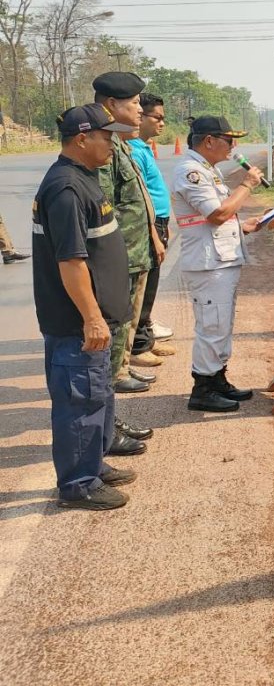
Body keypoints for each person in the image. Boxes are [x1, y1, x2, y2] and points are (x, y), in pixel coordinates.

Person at [32, 104, 138, 510]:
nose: (112, 144)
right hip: (77, 324)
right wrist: (92, 318)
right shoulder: (67, 189)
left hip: (95, 319)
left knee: (98, 394)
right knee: (80, 402)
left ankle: (94, 464)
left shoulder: (83, 177)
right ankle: (79, 484)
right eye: (106, 137)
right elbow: (71, 262)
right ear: (81, 138)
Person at [171, 116, 264, 412]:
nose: (233, 146)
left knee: (221, 324)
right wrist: (246, 185)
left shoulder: (208, 170)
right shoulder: (191, 172)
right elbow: (217, 214)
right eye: (229, 140)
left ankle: (217, 379)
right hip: (208, 263)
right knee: (212, 325)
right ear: (209, 141)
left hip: (220, 258)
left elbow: (214, 217)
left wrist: (242, 226)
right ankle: (203, 389)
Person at [94, 72, 164, 408]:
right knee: (118, 318)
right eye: (134, 103)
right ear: (111, 105)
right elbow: (105, 207)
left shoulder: (120, 143)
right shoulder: (103, 146)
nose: (139, 109)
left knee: (129, 317)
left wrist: (152, 237)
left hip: (137, 249)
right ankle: (113, 376)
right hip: (122, 251)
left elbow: (138, 200)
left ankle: (121, 367)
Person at [128, 92, 176, 367]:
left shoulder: (143, 147)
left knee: (151, 284)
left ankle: (145, 337)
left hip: (158, 222)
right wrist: (154, 233)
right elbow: (139, 196)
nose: (162, 123)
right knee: (143, 288)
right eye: (157, 117)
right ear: (141, 117)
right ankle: (137, 346)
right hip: (149, 224)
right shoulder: (134, 150)